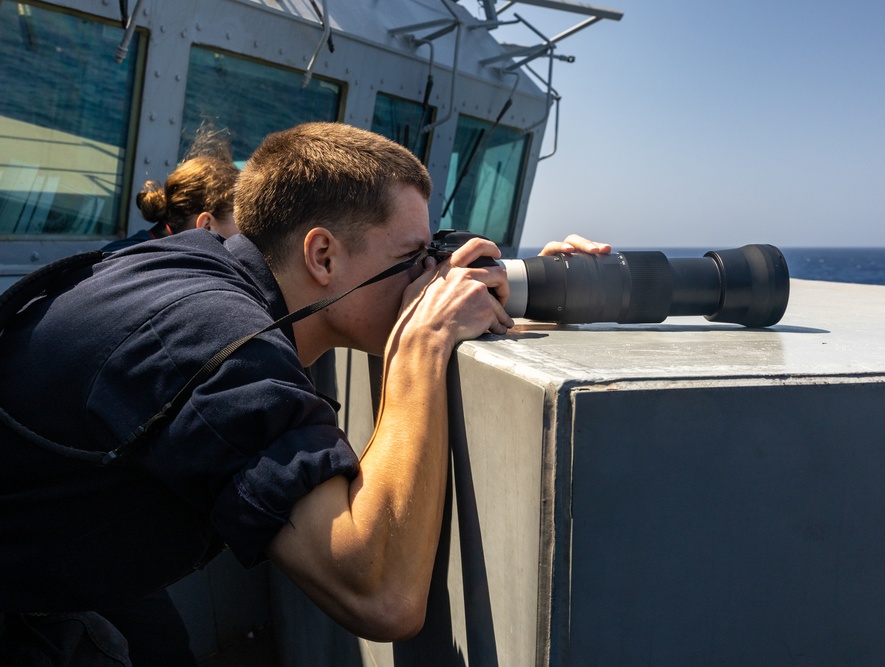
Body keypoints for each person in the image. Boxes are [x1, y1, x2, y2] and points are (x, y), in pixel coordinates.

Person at [0, 121, 608, 662]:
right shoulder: (211, 337)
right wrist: (417, 350)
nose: (430, 275)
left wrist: (536, 292)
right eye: (413, 256)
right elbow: (381, 596)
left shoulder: (199, 272)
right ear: (322, 255)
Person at [103, 127, 240, 251]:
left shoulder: (120, 253)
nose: (246, 236)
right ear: (206, 226)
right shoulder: (175, 272)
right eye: (241, 223)